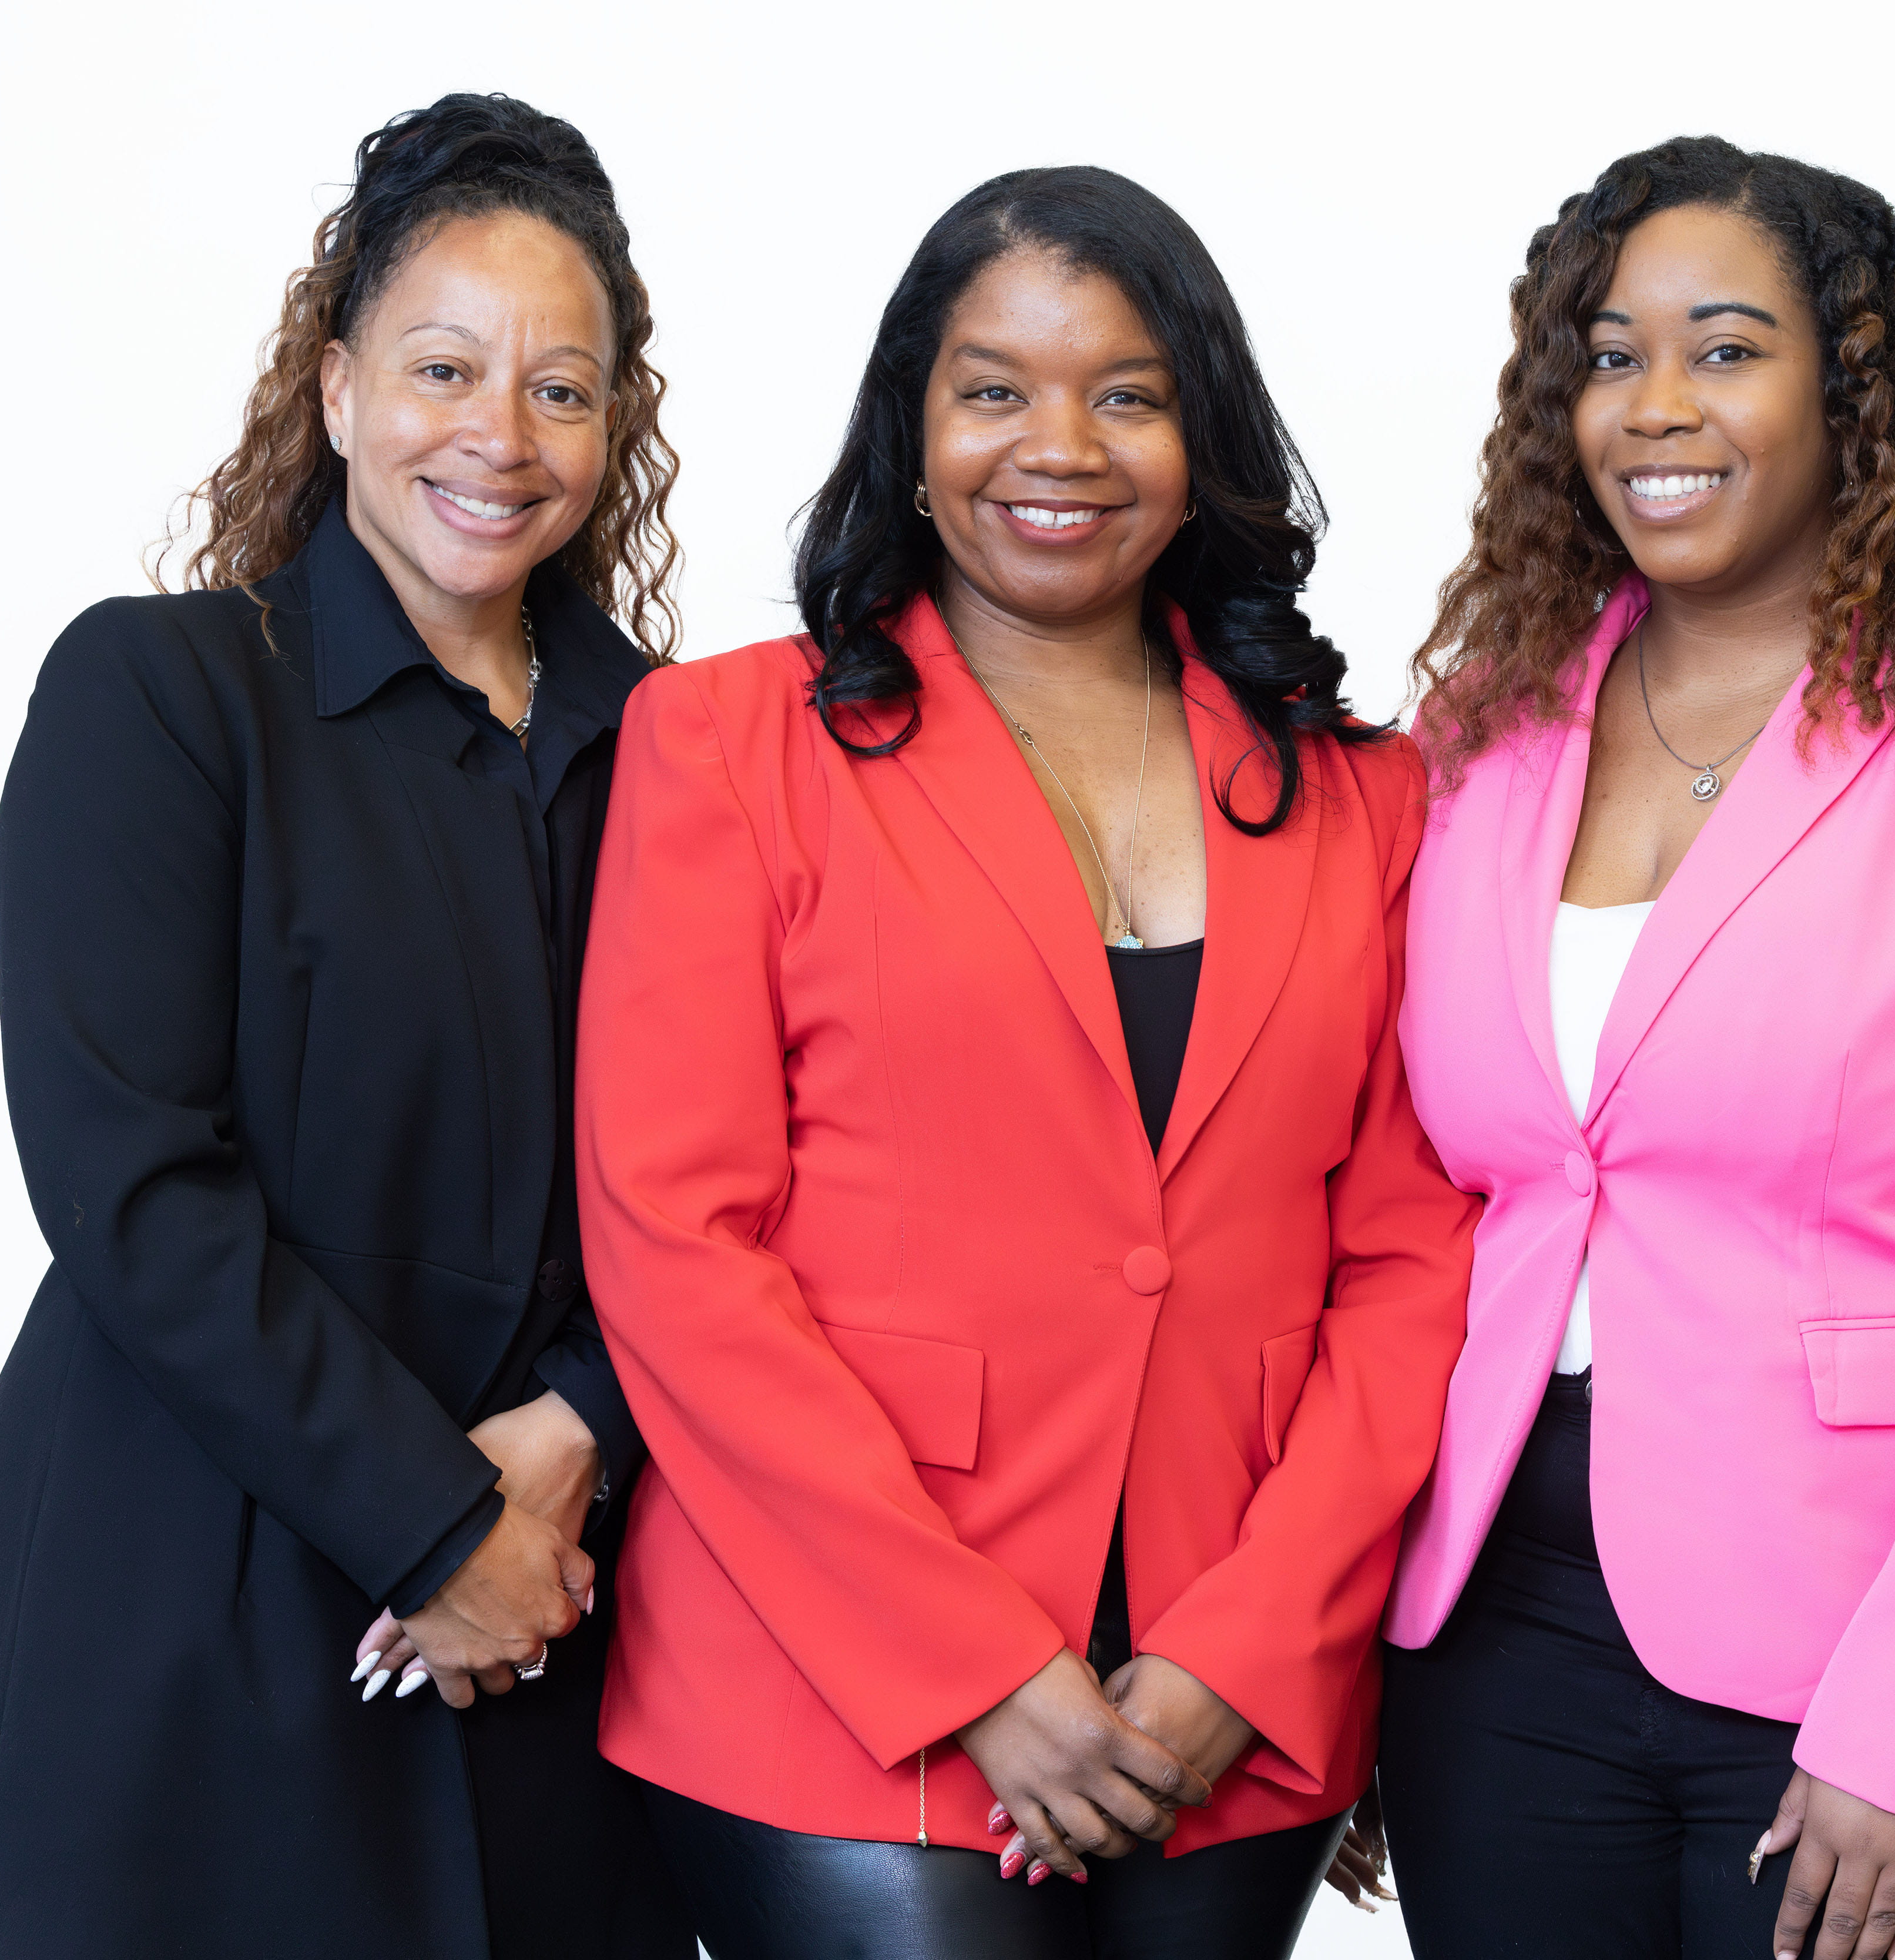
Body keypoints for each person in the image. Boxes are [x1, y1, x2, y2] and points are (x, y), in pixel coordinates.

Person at [573, 166, 1476, 1960]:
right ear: (910, 428)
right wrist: (974, 1665)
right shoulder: (734, 746)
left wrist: (1256, 1643)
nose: (1057, 445)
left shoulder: (1361, 793)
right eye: (994, 390)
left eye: (1127, 394)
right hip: (836, 1681)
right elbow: (677, 1244)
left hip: (1222, 1700)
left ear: (1200, 437)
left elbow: (1413, 1260)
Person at [1367, 137, 1895, 1960]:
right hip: (1497, 1634)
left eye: (1727, 349)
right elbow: (1427, 1195)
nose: (1655, 406)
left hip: (1873, 1638)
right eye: (1607, 355)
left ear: (1856, 390)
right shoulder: (1484, 737)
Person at [0, 94, 693, 1960]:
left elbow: (750, 1166)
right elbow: (137, 1189)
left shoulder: (686, 758)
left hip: (563, 1639)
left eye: (562, 391)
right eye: (442, 367)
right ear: (335, 388)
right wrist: (443, 1530)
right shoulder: (165, 698)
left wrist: (579, 1428)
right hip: (202, 1620)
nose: (497, 437)